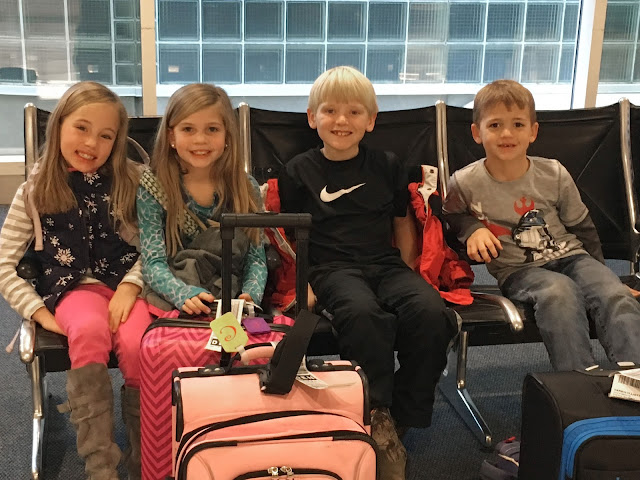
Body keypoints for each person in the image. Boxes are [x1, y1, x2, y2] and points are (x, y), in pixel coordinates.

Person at [278, 66, 458, 480]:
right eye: (330, 111)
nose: (342, 120)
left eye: (354, 112)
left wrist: (411, 272)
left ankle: (399, 416)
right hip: (331, 269)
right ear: (313, 118)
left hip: (385, 263)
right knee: (363, 316)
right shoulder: (298, 170)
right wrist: (303, 283)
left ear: (371, 120)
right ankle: (374, 412)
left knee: (431, 313)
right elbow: (288, 236)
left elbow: (401, 221)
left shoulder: (387, 165)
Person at [0, 81, 151, 479]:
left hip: (127, 285)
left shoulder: (135, 183)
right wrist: (38, 313)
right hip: (73, 290)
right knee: (87, 332)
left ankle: (147, 459)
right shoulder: (34, 191)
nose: (91, 143)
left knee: (139, 344)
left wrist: (131, 284)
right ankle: (100, 464)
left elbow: (156, 246)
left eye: (105, 135)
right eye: (81, 128)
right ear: (59, 126)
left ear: (117, 141)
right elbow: (4, 264)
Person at [442, 79, 640, 371]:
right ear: (477, 133)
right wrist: (473, 228)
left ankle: (634, 376)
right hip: (518, 271)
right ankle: (577, 379)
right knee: (559, 293)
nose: (507, 133)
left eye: (518, 124)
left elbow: (582, 227)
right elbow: (450, 217)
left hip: (573, 258)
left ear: (533, 131)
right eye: (495, 125)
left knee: (615, 295)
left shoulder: (554, 173)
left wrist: (604, 276)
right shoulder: (463, 182)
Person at [136, 83, 267, 317]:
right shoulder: (153, 187)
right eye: (188, 129)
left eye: (212, 129)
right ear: (171, 136)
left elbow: (256, 258)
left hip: (232, 297)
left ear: (227, 135)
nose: (200, 140)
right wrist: (183, 294)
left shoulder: (247, 188)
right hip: (176, 298)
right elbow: (153, 263)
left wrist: (250, 296)